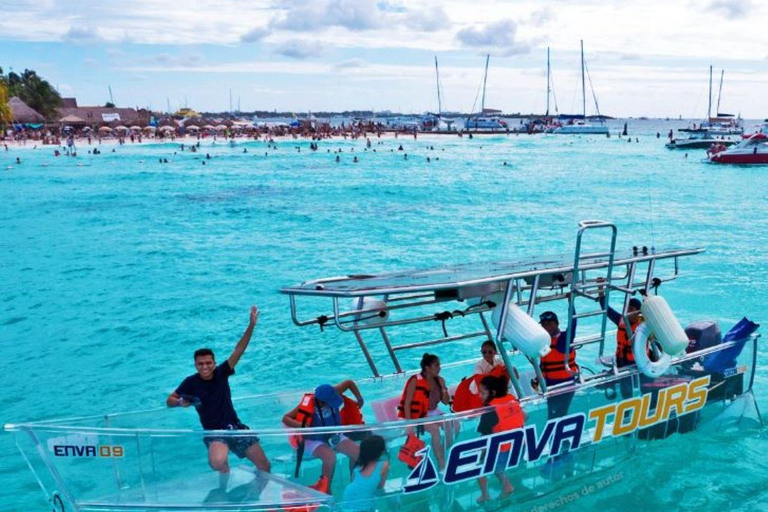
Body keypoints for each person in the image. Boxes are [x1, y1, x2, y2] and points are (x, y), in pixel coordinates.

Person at [166, 306, 270, 485]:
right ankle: (224, 480)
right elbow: (169, 400)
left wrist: (251, 325)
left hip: (235, 427)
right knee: (217, 463)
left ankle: (254, 494)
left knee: (265, 466)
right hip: (215, 433)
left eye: (208, 363)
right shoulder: (190, 382)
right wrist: (179, 403)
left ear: (214, 363)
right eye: (200, 364)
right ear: (195, 365)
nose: (204, 367)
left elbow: (239, 350)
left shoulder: (222, 373)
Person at [283, 380, 364, 493]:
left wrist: (359, 398)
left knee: (358, 453)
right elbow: (286, 418)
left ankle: (354, 485)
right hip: (314, 440)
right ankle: (326, 491)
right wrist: (302, 426)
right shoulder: (309, 404)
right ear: (321, 402)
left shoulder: (332, 392)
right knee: (330, 457)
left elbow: (349, 383)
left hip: (333, 434)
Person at [397, 353, 450, 468]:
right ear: (427, 368)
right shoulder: (415, 380)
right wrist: (409, 423)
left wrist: (443, 388)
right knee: (435, 431)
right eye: (436, 366)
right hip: (417, 415)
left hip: (433, 412)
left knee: (453, 425)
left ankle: (441, 450)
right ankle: (441, 462)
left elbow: (446, 402)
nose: (439, 368)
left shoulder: (439, 380)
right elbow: (407, 403)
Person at [476, 376, 523, 503]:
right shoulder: (512, 399)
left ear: (493, 393)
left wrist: (482, 454)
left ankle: (486, 494)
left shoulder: (490, 409)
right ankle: (506, 485)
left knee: (478, 465)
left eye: (482, 393)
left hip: (502, 451)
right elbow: (525, 417)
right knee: (495, 462)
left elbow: (485, 433)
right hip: (519, 447)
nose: (479, 396)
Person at [536, 307, 579, 420]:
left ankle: (562, 436)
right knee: (552, 414)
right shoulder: (544, 341)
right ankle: (558, 436)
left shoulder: (563, 340)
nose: (546, 327)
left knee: (559, 414)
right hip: (550, 383)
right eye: (544, 324)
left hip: (565, 383)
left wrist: (571, 304)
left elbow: (573, 324)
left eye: (549, 324)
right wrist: (537, 379)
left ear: (556, 324)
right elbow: (543, 364)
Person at [341, 435, 389, 512]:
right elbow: (380, 487)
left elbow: (353, 480)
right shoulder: (384, 464)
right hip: (364, 503)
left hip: (349, 496)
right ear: (381, 451)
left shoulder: (358, 466)